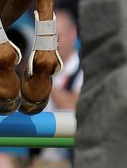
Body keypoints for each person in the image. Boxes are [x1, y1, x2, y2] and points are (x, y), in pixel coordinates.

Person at [30, 9, 83, 168]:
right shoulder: (38, 69)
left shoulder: (85, 68)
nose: (54, 44)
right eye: (49, 38)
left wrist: (45, 79)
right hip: (37, 154)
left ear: (73, 33)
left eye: (58, 37)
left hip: (69, 158)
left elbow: (72, 106)